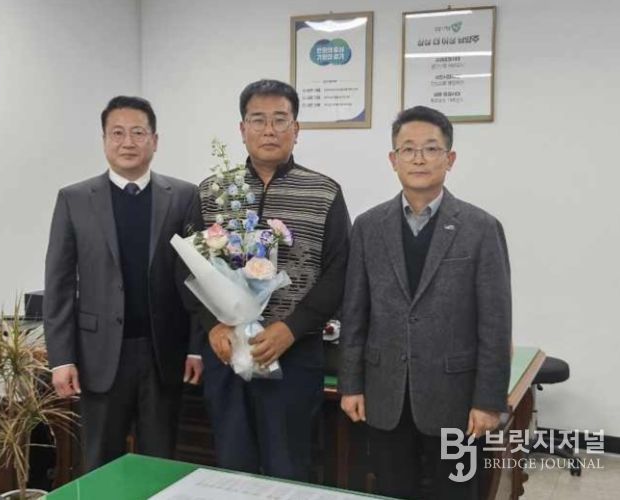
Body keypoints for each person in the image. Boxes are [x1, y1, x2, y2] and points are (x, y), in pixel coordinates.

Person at [339, 105, 511, 499]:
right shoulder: (368, 226)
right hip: (385, 396)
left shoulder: (481, 228)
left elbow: (496, 323)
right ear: (393, 159)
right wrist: (351, 385)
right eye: (408, 149)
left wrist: (489, 401)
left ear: (450, 159)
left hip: (457, 400)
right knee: (391, 491)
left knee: (457, 493)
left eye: (431, 148)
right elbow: (354, 313)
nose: (419, 158)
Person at [196, 79, 351, 481]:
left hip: (293, 354)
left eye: (280, 120)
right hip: (227, 354)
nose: (269, 130)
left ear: (296, 129)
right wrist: (213, 325)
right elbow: (189, 269)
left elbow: (339, 273)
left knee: (288, 467)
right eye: (258, 120)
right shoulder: (213, 191)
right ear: (242, 128)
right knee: (231, 468)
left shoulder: (324, 192)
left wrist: (291, 328)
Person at [43, 95, 203, 471]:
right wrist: (61, 358)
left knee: (160, 464)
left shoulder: (183, 196)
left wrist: (196, 348)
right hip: (98, 356)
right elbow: (59, 283)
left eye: (138, 132)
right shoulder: (74, 199)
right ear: (104, 140)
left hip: (163, 353)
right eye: (117, 133)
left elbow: (197, 278)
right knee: (100, 462)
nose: (127, 142)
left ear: (155, 141)